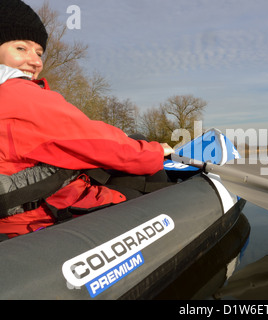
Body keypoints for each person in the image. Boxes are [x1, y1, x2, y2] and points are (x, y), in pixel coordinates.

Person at [0, 0, 174, 239]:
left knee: (132, 141)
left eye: (39, 52)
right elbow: (98, 141)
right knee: (145, 178)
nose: (36, 61)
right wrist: (155, 152)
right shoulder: (17, 94)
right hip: (39, 215)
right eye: (21, 48)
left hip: (18, 207)